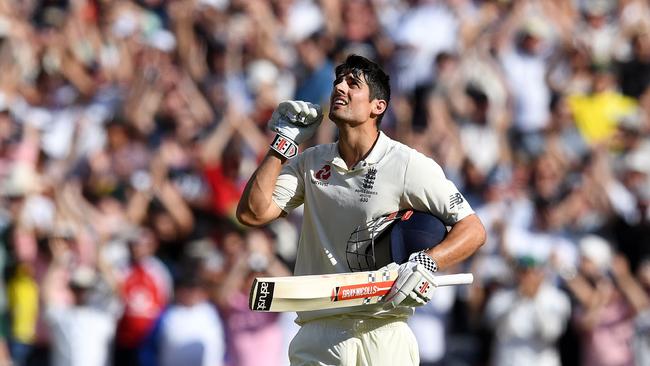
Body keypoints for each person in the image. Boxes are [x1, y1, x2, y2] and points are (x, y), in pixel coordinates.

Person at [237, 54, 486, 366]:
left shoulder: (406, 164)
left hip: (382, 331)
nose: (340, 87)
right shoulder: (311, 162)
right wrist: (283, 143)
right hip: (318, 334)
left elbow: (473, 228)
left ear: (377, 106)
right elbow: (252, 214)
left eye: (353, 84)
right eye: (338, 82)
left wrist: (428, 262)